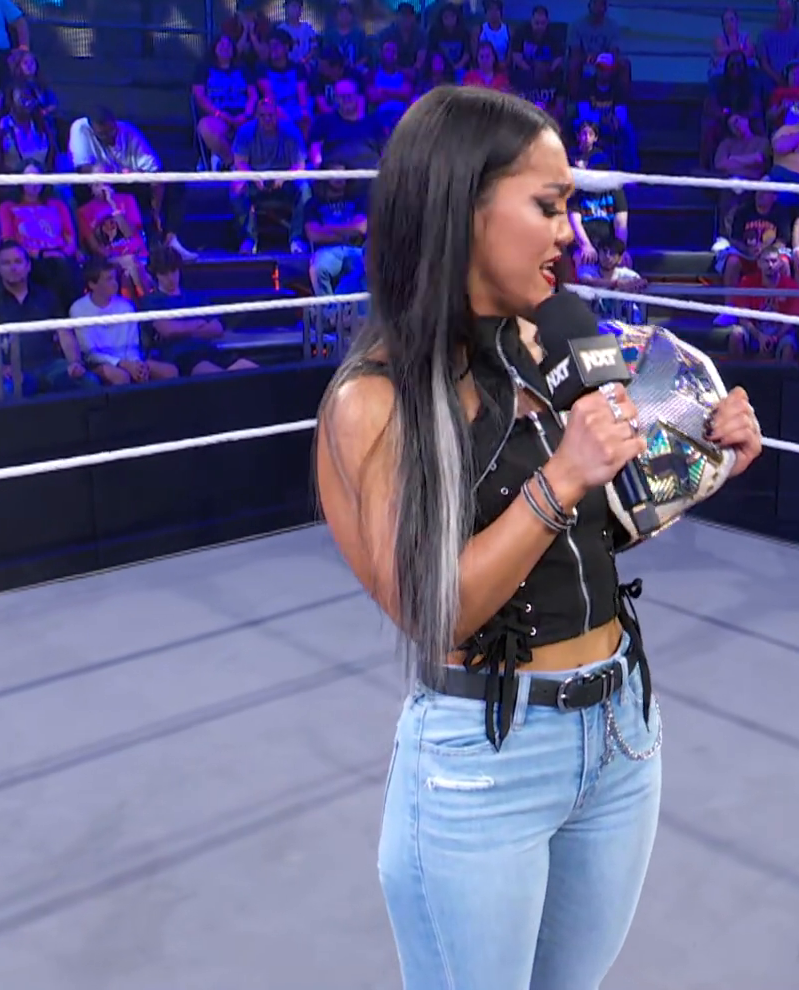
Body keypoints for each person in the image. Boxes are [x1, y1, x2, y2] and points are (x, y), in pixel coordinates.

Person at [314, 86, 763, 989]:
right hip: (487, 758)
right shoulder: (375, 401)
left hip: (621, 729)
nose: (573, 235)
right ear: (462, 207)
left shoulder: (550, 341)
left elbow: (582, 542)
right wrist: (560, 478)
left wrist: (700, 464)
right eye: (549, 207)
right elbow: (436, 612)